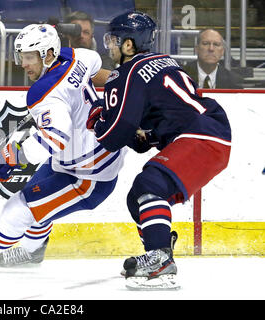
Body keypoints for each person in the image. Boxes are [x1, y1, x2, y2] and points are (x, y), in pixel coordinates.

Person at [0, 23, 127, 272]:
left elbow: (55, 138)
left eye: (29, 57)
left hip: (88, 175)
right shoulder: (76, 56)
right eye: (21, 56)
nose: (23, 64)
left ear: (49, 55)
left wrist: (12, 157)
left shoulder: (43, 93)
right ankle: (33, 252)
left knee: (20, 207)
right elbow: (95, 68)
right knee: (36, 196)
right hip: (83, 155)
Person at [86, 12, 231, 290]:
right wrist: (142, 135)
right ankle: (158, 252)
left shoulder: (125, 73)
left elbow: (116, 132)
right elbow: (145, 133)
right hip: (210, 130)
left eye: (114, 39)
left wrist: (97, 118)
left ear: (129, 45)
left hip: (199, 135)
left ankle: (160, 258)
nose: (110, 46)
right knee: (137, 199)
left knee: (149, 184)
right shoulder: (165, 61)